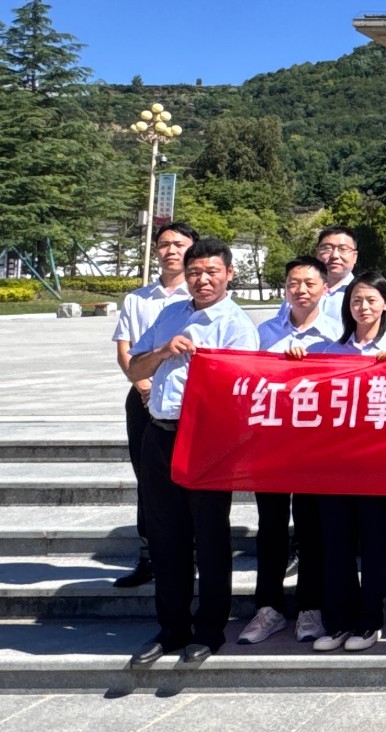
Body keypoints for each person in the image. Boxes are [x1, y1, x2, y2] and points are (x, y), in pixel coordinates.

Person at [126, 238, 259, 665]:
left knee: (211, 535)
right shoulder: (170, 315)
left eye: (212, 272)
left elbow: (242, 391)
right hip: (159, 434)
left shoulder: (237, 325)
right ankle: (172, 627)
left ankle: (209, 628)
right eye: (195, 272)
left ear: (229, 274)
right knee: (166, 536)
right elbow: (135, 367)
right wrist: (164, 351)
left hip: (206, 440)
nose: (203, 280)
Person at [296, 271, 386, 653]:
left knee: (374, 545)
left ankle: (371, 620)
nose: (363, 307)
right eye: (356, 300)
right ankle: (339, 621)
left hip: (378, 467)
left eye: (371, 300)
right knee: (336, 544)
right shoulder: (330, 351)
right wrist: (296, 362)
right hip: (335, 465)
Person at [239, 255, 343, 647]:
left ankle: (309, 606)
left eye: (309, 283)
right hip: (271, 443)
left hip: (316, 445)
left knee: (311, 527)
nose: (301, 290)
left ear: (325, 288)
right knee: (271, 525)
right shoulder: (264, 332)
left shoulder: (337, 333)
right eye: (293, 283)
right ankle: (268, 607)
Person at [110, 221, 195, 590]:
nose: (170, 250)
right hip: (143, 397)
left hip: (187, 404)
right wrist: (143, 385)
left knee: (188, 478)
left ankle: (189, 552)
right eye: (163, 244)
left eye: (179, 244)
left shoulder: (201, 296)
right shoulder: (138, 299)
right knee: (147, 478)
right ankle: (150, 555)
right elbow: (125, 350)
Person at [274, 226, 359, 321]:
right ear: (317, 253)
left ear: (355, 256)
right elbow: (281, 324)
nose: (334, 255)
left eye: (343, 249)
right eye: (327, 249)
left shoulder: (362, 291)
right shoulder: (299, 291)